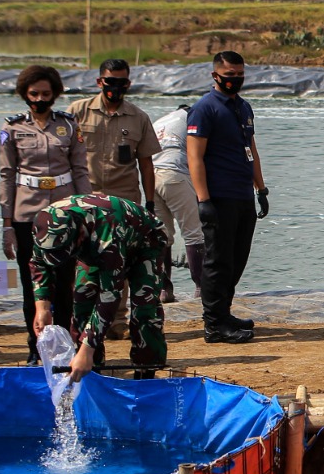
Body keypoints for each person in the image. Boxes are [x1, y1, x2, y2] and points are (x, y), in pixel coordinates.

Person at [0, 64, 88, 364]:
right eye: (34, 94)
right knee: (32, 286)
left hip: (64, 213)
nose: (39, 99)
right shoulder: (12, 128)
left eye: (45, 94)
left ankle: (64, 347)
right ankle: (35, 348)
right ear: (24, 94)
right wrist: (7, 225)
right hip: (27, 215)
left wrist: (86, 213)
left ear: (55, 94)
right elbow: (6, 176)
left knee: (64, 284)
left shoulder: (69, 125)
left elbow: (80, 170)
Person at [30, 193, 168, 381]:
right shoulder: (44, 228)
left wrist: (87, 348)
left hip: (145, 240)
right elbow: (39, 263)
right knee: (82, 300)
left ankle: (146, 373)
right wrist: (43, 308)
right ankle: (91, 371)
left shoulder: (105, 234)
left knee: (145, 309)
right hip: (94, 245)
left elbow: (110, 296)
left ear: (78, 236)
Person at [186, 51, 267, 344]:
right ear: (215, 75)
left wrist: (261, 189)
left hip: (242, 194)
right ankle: (214, 324)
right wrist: (204, 200)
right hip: (218, 196)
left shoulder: (243, 107)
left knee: (236, 260)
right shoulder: (204, 109)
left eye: (240, 75)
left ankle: (224, 313)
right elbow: (195, 157)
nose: (235, 80)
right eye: (229, 75)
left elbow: (251, 150)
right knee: (217, 261)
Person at [68, 59, 161, 314]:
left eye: (121, 82)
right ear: (100, 82)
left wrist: (149, 204)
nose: (115, 87)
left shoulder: (139, 118)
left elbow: (146, 165)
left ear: (128, 84)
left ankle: (117, 318)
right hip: (85, 197)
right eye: (110, 81)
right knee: (82, 259)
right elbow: (64, 153)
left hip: (124, 199)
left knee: (120, 259)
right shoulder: (78, 111)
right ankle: (84, 316)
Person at [150, 104, 204, 302]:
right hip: (175, 174)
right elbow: (200, 153)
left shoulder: (162, 121)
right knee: (193, 232)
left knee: (162, 235)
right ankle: (202, 288)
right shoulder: (193, 118)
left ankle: (164, 290)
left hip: (150, 176)